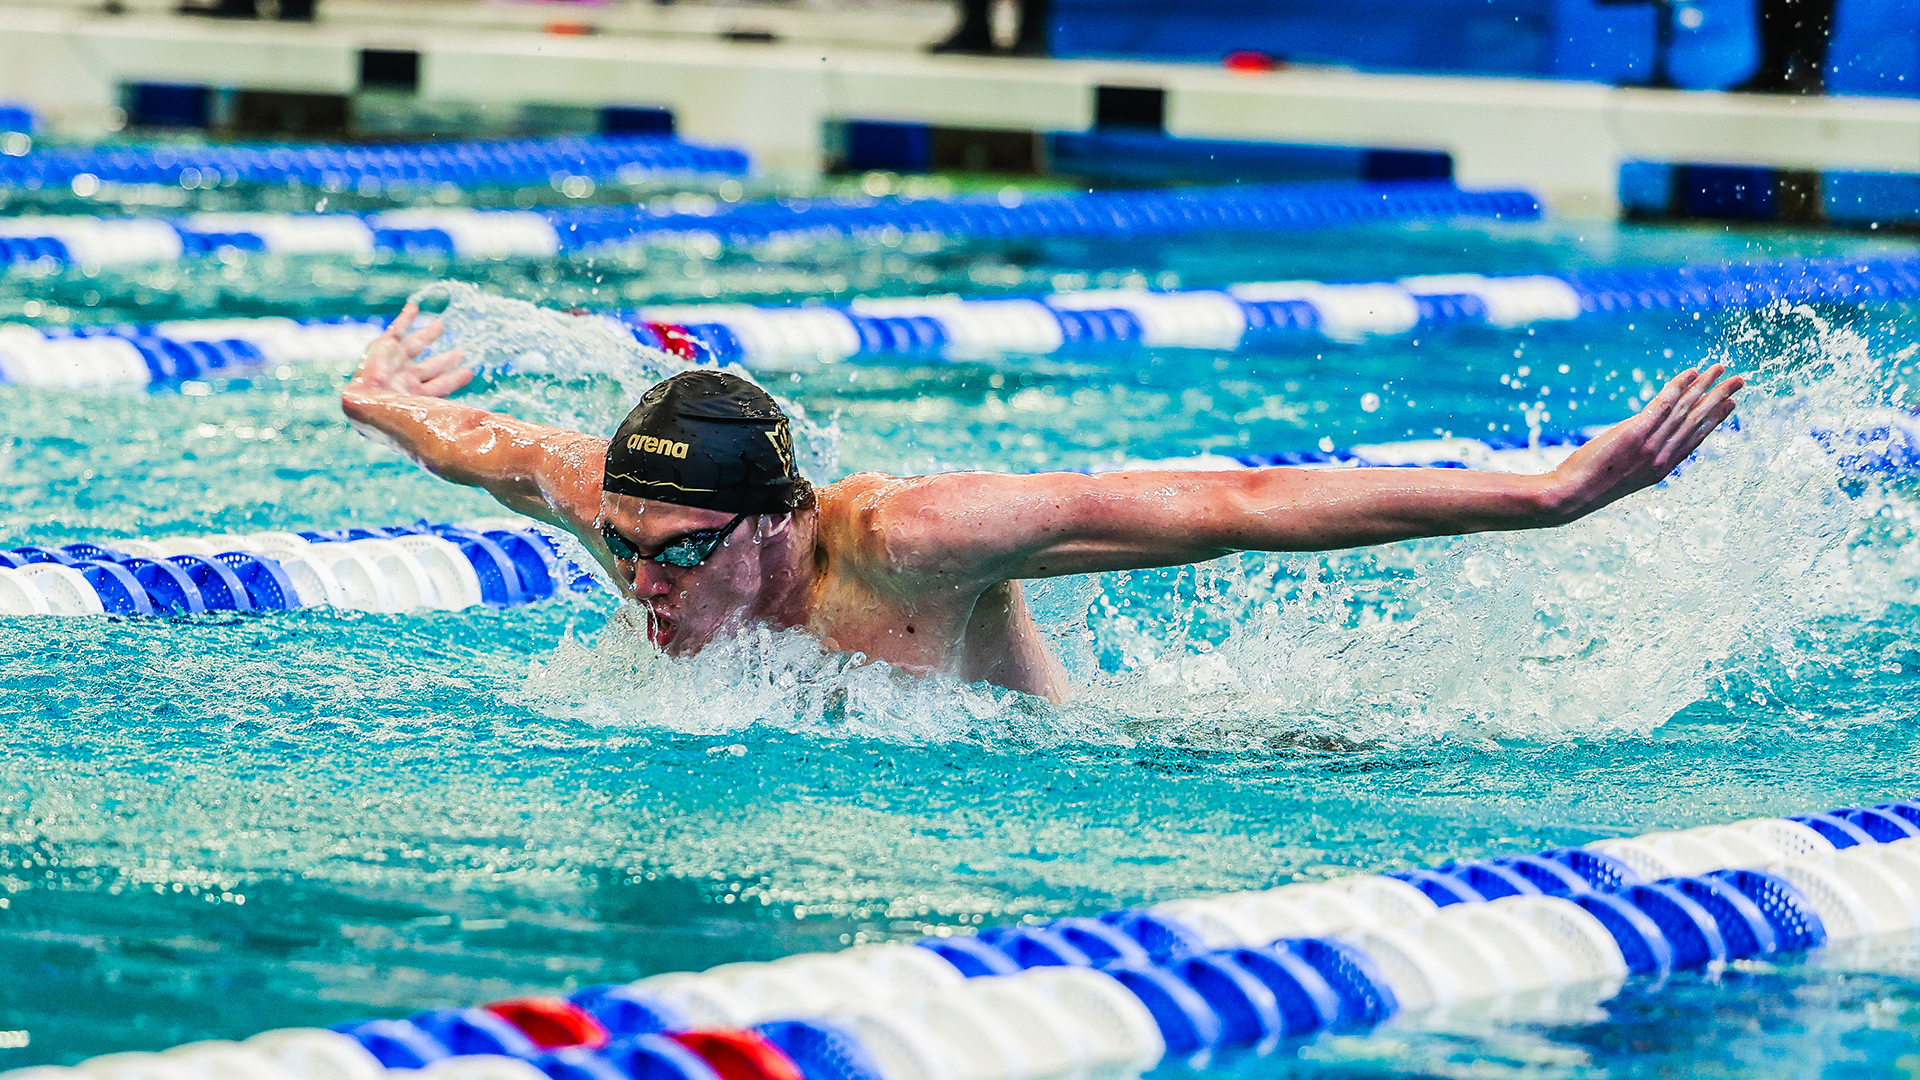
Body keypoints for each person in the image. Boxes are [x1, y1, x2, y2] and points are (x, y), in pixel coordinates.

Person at [343, 302, 1744, 703]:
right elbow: (488, 445)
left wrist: (1551, 494)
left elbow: (1236, 503)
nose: (641, 586)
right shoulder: (634, 514)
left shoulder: (906, 548)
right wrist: (383, 400)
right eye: (626, 554)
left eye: (676, 557)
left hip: (1086, 765)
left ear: (778, 520)